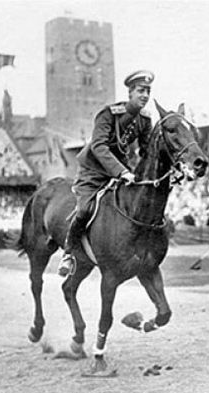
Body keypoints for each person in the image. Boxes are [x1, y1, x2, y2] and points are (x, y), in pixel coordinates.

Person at [57, 70, 155, 277]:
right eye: (140, 91)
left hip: (122, 173)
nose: (145, 95)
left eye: (147, 91)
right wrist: (121, 172)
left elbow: (147, 150)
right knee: (84, 209)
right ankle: (68, 252)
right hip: (93, 172)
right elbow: (99, 147)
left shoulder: (145, 120)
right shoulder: (109, 114)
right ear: (130, 93)